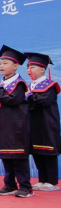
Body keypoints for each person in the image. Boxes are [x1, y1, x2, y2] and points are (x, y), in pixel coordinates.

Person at [0, 46, 33, 198]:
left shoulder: (19, 84)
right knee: (6, 157)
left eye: (5, 63)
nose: (1, 66)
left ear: (16, 65)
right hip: (3, 127)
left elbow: (13, 100)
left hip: (17, 127)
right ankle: (10, 184)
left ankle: (25, 187)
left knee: (19, 158)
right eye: (0, 63)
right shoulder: (0, 85)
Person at [26, 52, 61, 192]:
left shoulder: (50, 86)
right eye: (27, 67)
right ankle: (42, 180)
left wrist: (28, 97)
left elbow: (43, 101)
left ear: (42, 69)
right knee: (37, 152)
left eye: (32, 67)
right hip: (33, 124)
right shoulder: (29, 86)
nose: (29, 70)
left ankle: (51, 181)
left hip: (47, 124)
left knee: (48, 152)